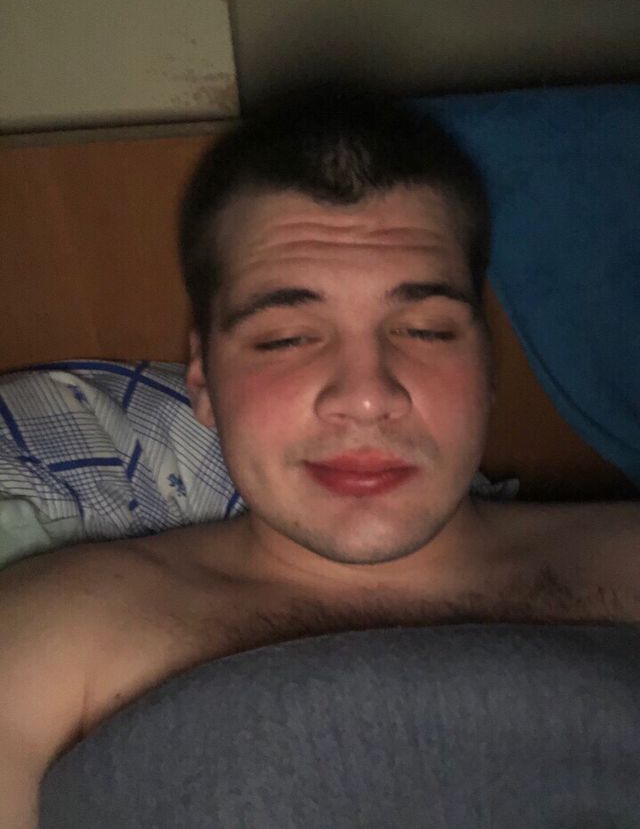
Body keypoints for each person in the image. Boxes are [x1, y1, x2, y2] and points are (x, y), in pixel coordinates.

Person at [1, 84, 638, 827]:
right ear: (203, 379)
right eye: (286, 338)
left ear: (487, 368)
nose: (366, 398)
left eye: (427, 330)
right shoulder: (55, 635)